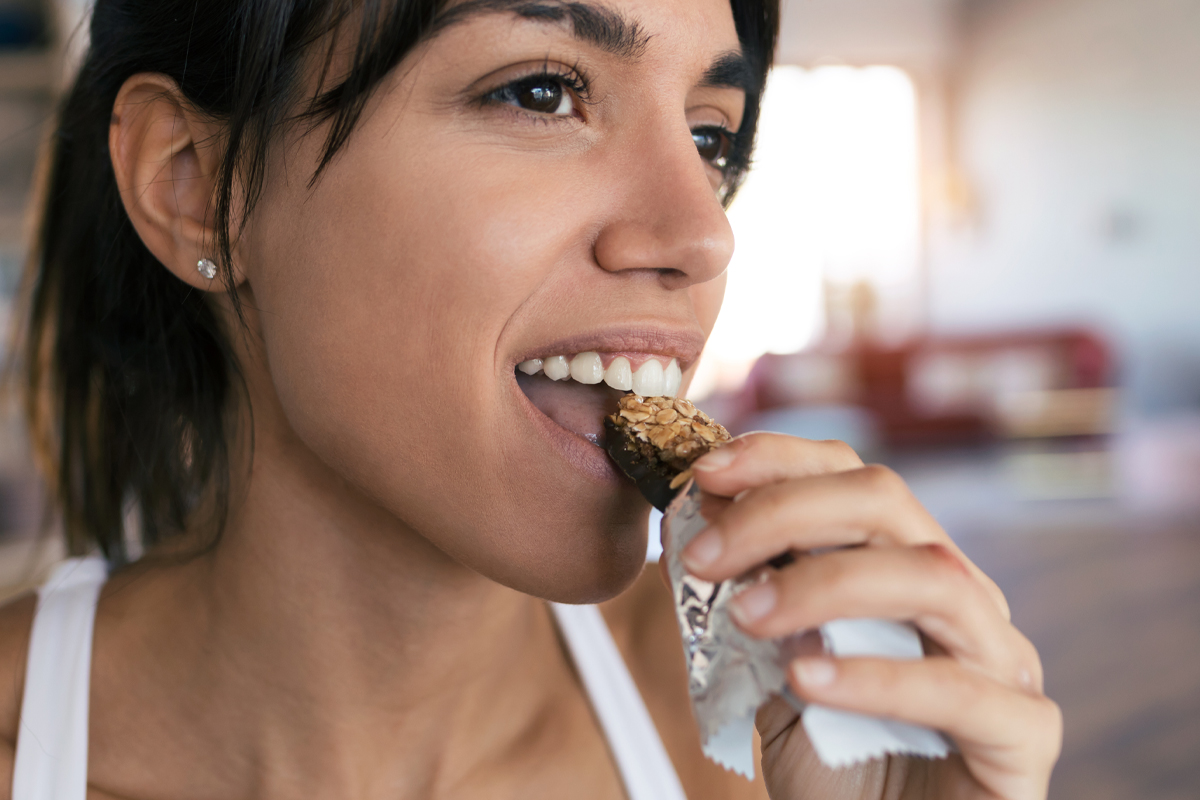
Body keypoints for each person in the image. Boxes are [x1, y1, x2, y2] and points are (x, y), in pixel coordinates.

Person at [0, 0, 1062, 797]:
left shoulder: (779, 731)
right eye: (541, 91)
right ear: (196, 186)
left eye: (710, 137)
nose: (702, 235)